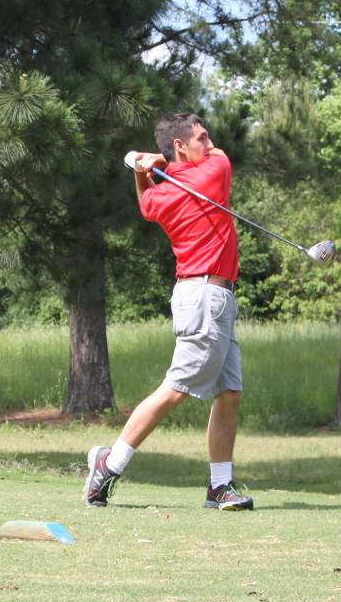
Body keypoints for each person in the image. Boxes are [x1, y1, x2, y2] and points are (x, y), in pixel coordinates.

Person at [83, 111, 254, 511]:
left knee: (228, 392)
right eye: (202, 138)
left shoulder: (161, 193)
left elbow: (146, 205)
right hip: (204, 298)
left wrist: (145, 169)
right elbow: (223, 156)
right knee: (177, 388)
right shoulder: (213, 171)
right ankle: (110, 464)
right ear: (180, 146)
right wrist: (154, 162)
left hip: (213, 297)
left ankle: (219, 486)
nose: (210, 144)